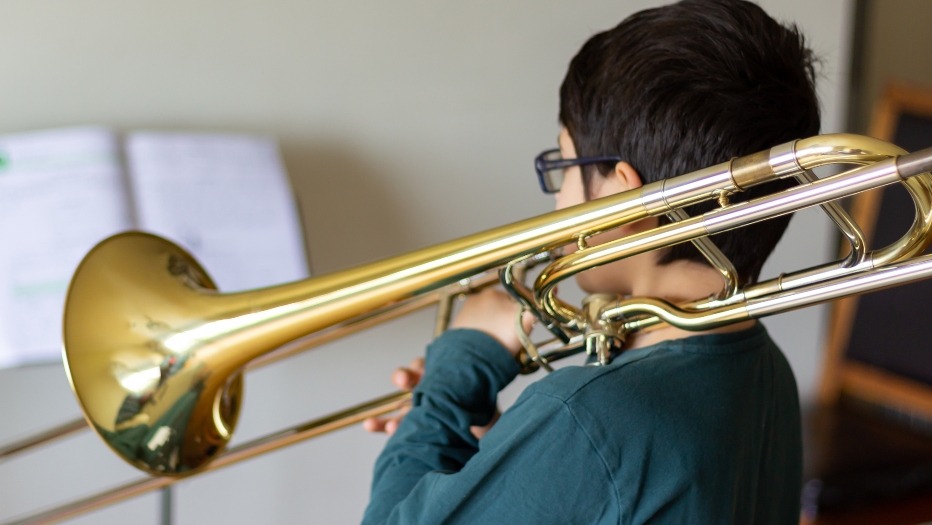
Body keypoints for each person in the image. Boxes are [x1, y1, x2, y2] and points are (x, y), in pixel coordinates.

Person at [361, 0, 819, 523]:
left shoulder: (590, 417)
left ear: (623, 199)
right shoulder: (766, 370)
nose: (558, 201)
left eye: (564, 166)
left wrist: (456, 370)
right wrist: (496, 440)